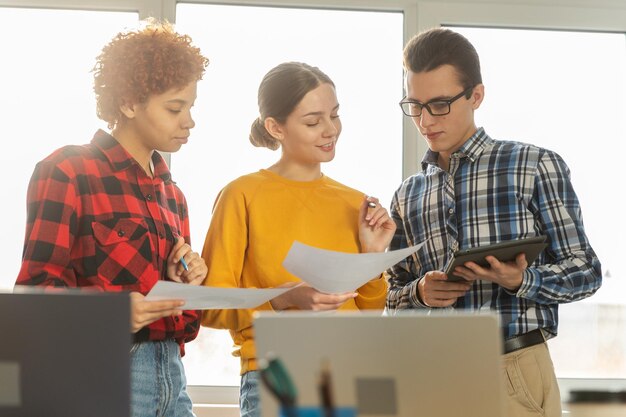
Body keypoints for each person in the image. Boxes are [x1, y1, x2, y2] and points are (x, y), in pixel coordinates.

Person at [386, 28, 602, 417]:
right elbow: (392, 294)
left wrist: (521, 281)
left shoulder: (534, 165)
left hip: (513, 370)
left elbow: (586, 272)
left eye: (438, 104)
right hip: (430, 374)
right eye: (414, 105)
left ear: (476, 96)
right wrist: (419, 292)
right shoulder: (406, 195)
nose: (424, 120)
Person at [15, 19, 209, 417]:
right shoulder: (68, 170)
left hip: (172, 375)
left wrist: (188, 283)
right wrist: (113, 313)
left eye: (190, 107)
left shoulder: (174, 197)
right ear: (128, 103)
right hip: (101, 373)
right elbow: (33, 298)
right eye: (175, 108)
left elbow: (185, 323)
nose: (189, 121)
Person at [200, 62, 396, 417]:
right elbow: (211, 308)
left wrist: (372, 257)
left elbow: (368, 312)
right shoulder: (241, 195)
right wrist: (284, 297)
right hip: (278, 376)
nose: (330, 130)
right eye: (313, 121)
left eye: (335, 115)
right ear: (275, 127)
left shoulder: (355, 202)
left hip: (353, 375)